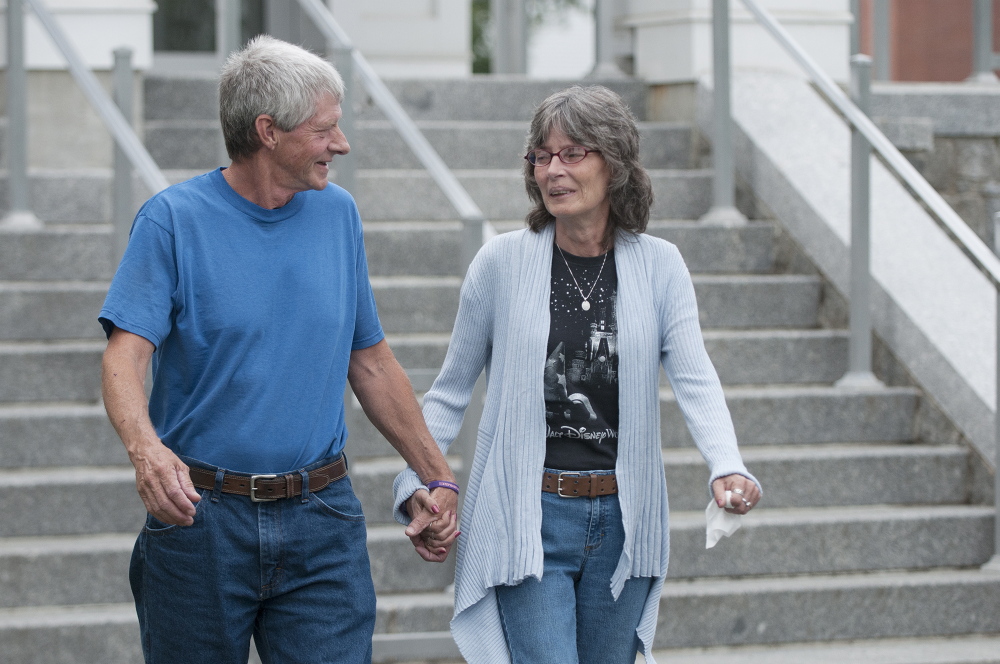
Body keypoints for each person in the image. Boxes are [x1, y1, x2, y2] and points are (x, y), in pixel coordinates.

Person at [99, 35, 459, 664]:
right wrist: (145, 450)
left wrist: (435, 474)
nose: (341, 145)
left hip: (322, 520)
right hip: (200, 522)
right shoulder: (172, 221)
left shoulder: (337, 213)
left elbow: (370, 360)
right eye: (325, 130)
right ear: (268, 130)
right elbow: (124, 356)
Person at [391, 85, 763, 663]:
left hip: (623, 520)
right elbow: (449, 391)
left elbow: (696, 378)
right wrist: (415, 483)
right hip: (529, 513)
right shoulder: (501, 263)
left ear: (613, 164)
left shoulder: (660, 266)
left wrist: (727, 464)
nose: (552, 170)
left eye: (572, 153)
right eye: (541, 156)